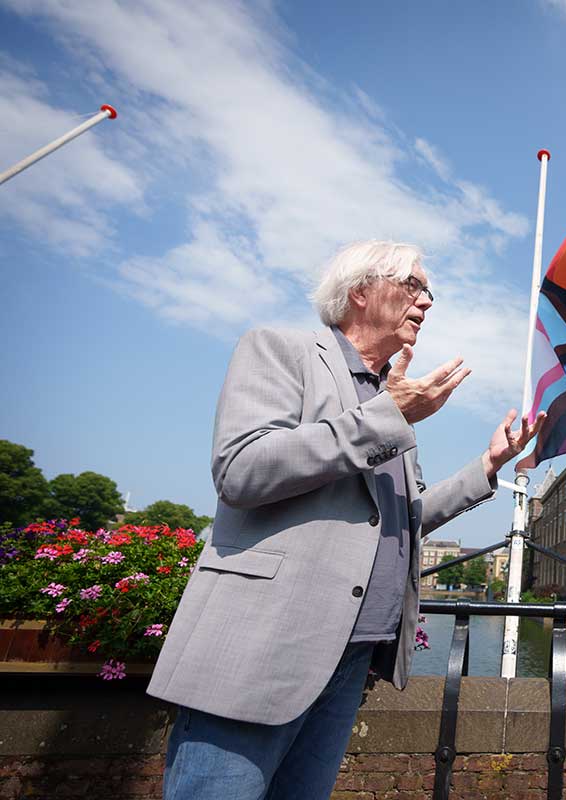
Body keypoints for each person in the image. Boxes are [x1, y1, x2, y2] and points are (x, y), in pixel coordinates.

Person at [148, 240, 544, 799]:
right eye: (414, 286)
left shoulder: (387, 402)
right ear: (360, 291)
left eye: (428, 291)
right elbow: (241, 471)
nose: (427, 302)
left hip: (351, 657)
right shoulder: (281, 349)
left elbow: (402, 521)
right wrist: (388, 416)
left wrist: (488, 465)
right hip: (261, 649)